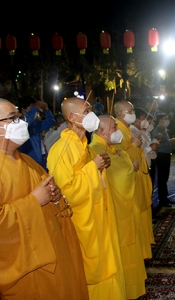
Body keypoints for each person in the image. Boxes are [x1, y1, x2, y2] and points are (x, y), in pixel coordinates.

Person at [0, 98, 89, 299]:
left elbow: (52, 198)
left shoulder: (27, 161)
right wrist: (34, 202)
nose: (21, 122)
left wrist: (54, 194)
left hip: (55, 252)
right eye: (12, 118)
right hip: (26, 268)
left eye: (19, 116)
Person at [47, 97, 126, 300]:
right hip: (81, 221)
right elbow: (65, 193)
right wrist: (94, 167)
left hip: (99, 214)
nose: (91, 114)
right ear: (72, 117)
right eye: (86, 110)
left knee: (106, 263)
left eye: (91, 109)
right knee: (91, 270)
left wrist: (100, 167)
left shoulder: (85, 146)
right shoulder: (61, 149)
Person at [90, 115, 147, 299]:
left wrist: (123, 157)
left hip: (123, 208)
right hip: (115, 211)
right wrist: (126, 160)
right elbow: (123, 173)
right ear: (102, 131)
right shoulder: (97, 149)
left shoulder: (111, 148)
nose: (117, 131)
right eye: (114, 127)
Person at [114, 100, 154, 259]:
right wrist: (133, 146)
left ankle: (143, 249)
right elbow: (118, 158)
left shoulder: (127, 130)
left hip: (137, 175)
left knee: (142, 212)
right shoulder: (119, 132)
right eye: (131, 111)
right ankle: (138, 251)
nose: (134, 114)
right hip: (129, 179)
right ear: (121, 114)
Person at [16, 96, 56, 169]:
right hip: (27, 163)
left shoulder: (35, 124)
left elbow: (51, 122)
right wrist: (34, 108)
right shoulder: (18, 124)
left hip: (40, 160)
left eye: (36, 109)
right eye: (32, 108)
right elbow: (26, 122)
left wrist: (46, 110)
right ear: (23, 110)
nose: (35, 111)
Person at [151, 113, 175, 207]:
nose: (167, 120)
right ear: (160, 120)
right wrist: (169, 142)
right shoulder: (157, 130)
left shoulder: (164, 129)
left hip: (166, 154)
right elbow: (155, 145)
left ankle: (165, 198)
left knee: (164, 178)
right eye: (165, 119)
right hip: (161, 155)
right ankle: (162, 201)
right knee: (162, 178)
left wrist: (169, 142)